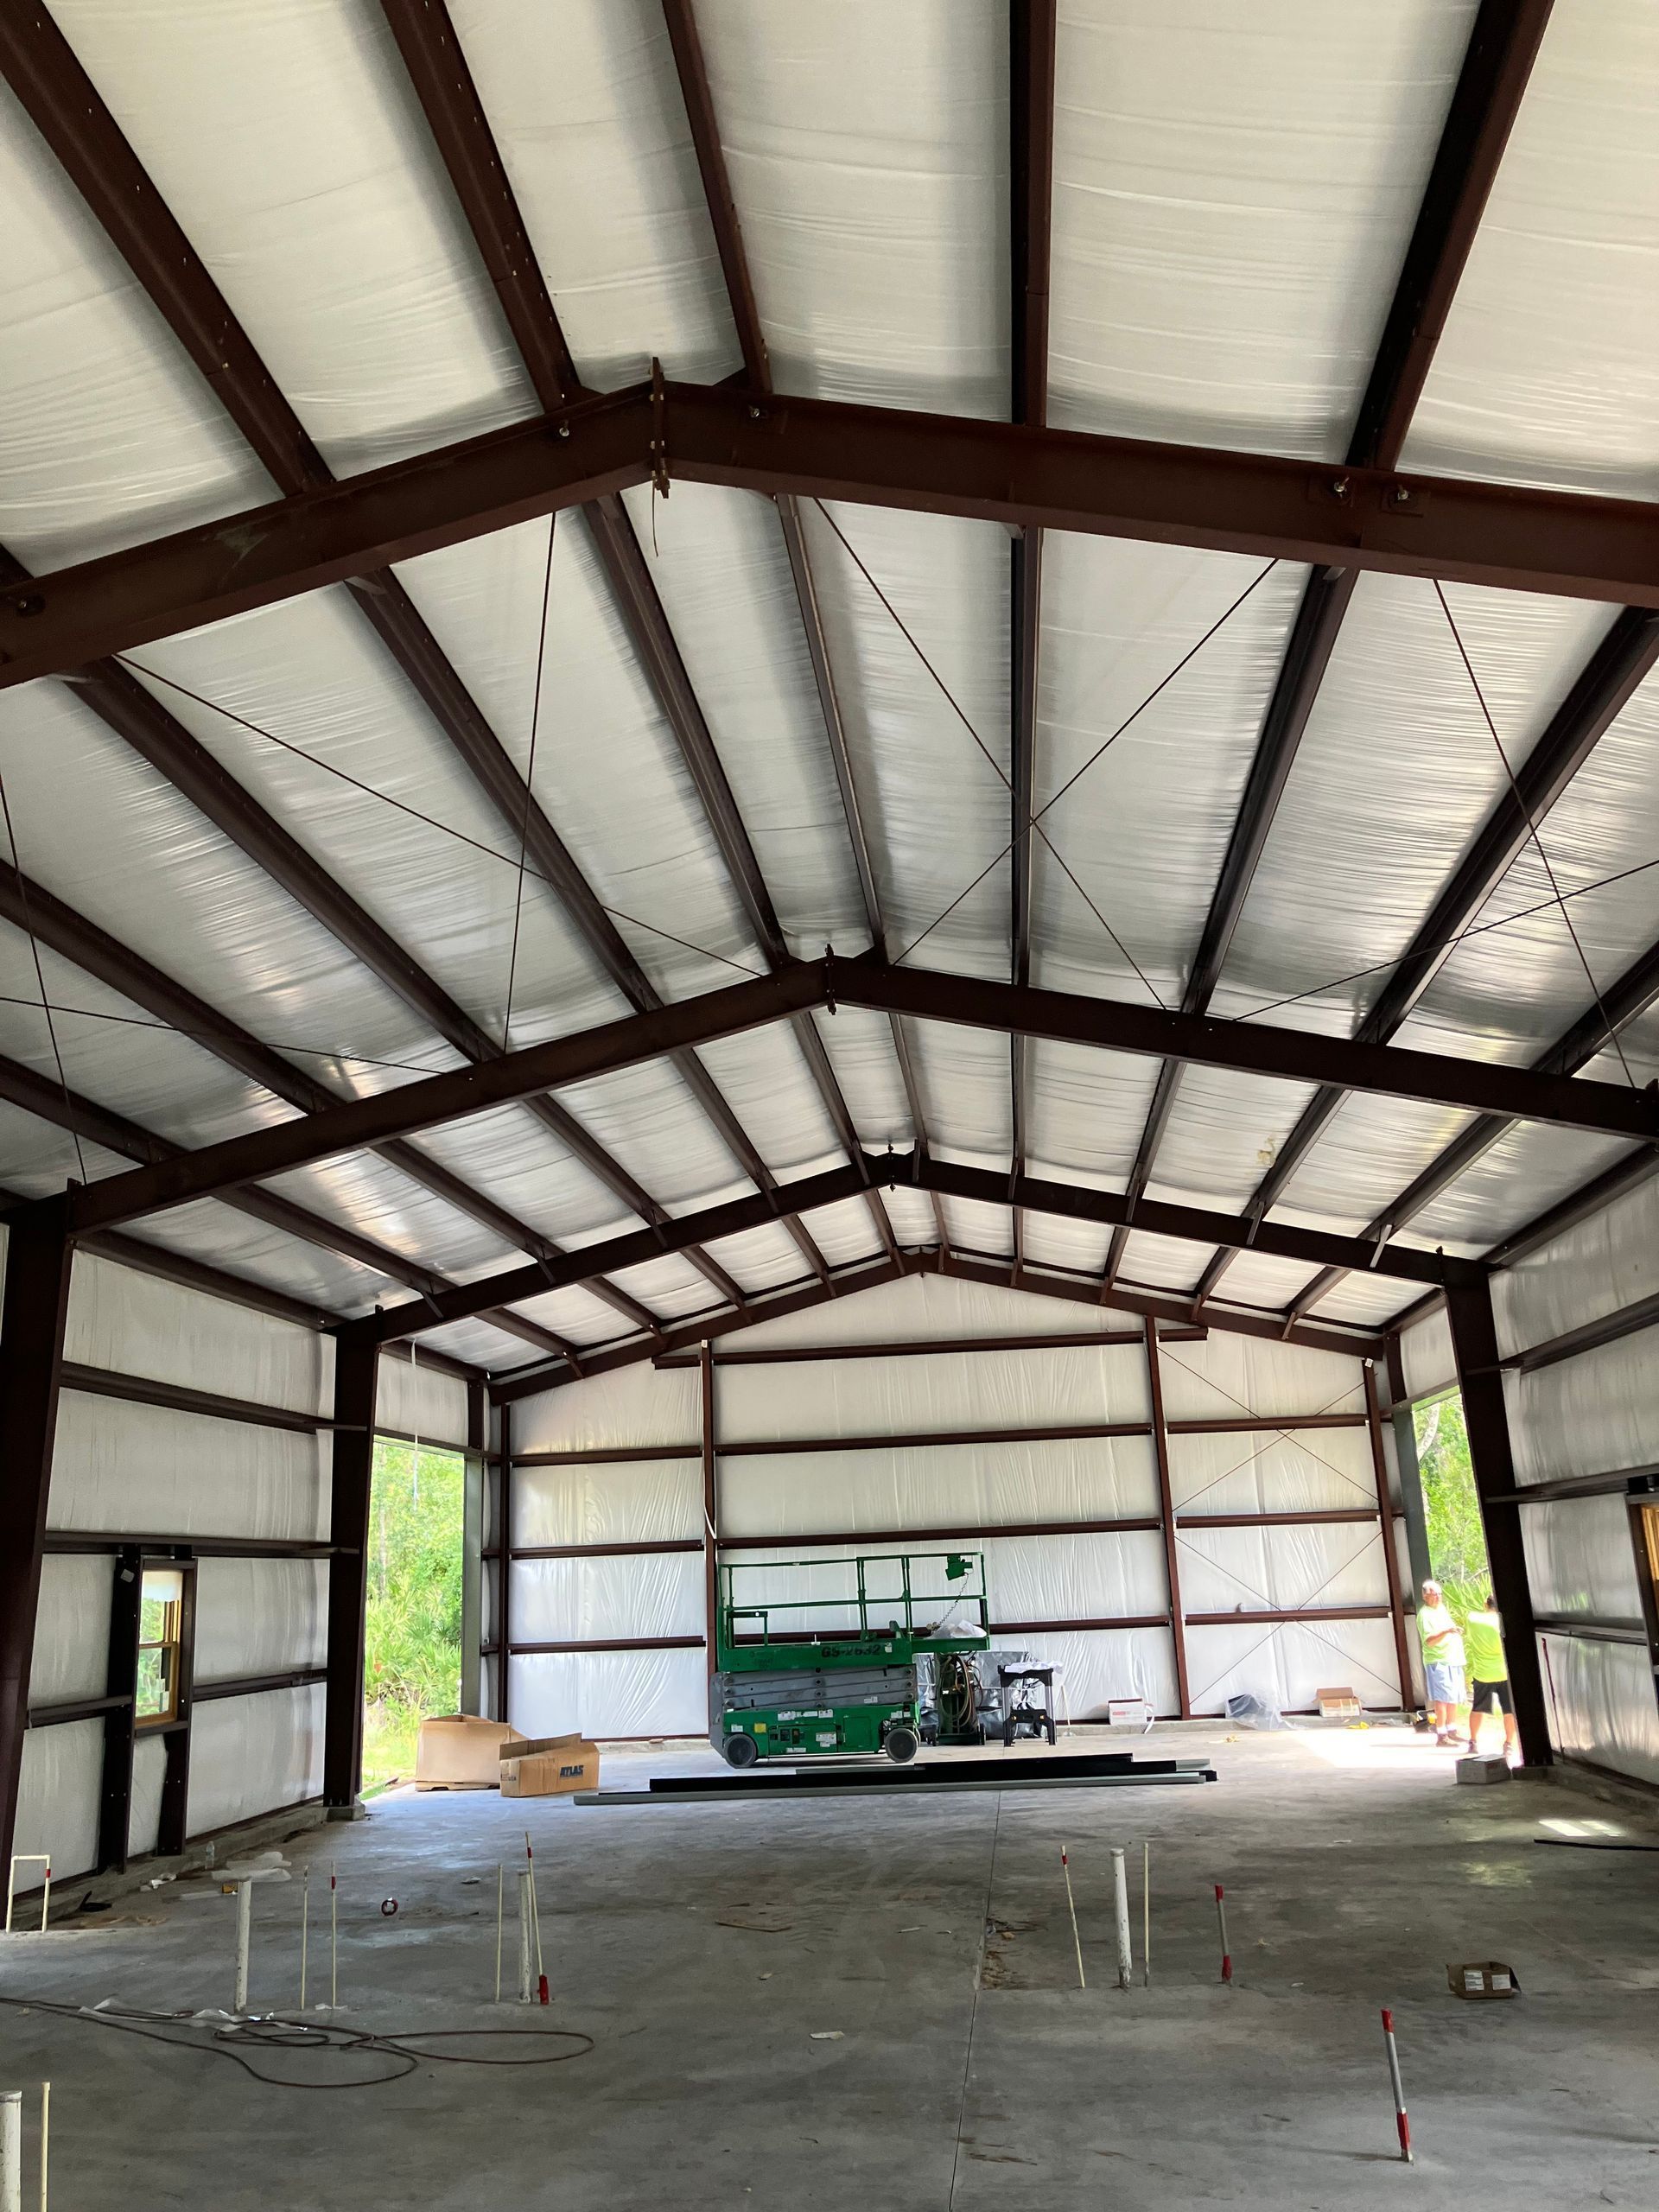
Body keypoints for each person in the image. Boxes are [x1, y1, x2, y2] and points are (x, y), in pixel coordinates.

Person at [1465, 1592, 1518, 1764]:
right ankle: (1508, 1744)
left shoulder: (1473, 1619)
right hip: (1504, 1672)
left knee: (1477, 1708)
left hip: (1483, 1673)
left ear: (1485, 1604)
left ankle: (1473, 1741)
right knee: (1509, 1711)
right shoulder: (1501, 1622)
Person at [1418, 1580, 1466, 1745]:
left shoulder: (1441, 1609)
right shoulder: (1425, 1615)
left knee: (1453, 1697)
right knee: (1442, 1698)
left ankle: (1452, 1729)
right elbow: (1429, 1641)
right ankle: (1441, 1734)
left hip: (1452, 1658)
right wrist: (1447, 1631)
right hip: (1438, 1661)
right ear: (1425, 1596)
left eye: (1439, 1594)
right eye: (1434, 1594)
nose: (1438, 1597)